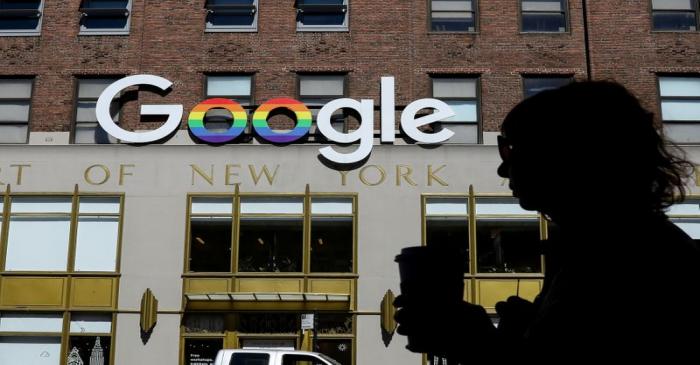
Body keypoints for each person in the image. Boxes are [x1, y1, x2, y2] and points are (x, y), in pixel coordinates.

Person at [394, 81, 700, 362]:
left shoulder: (625, 259)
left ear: (567, 154)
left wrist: (478, 341)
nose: (503, 170)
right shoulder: (607, 248)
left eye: (511, 150)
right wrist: (524, 326)